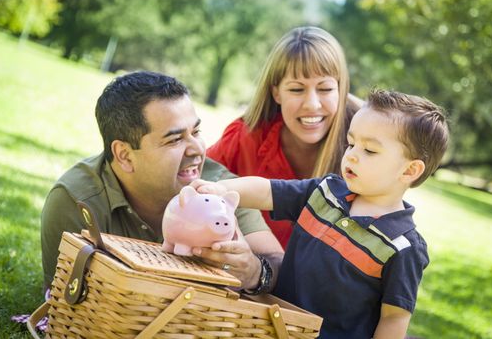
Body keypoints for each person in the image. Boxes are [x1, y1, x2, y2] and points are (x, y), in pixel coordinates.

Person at [192, 89, 449, 338]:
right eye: (351, 143)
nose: (351, 156)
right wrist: (220, 188)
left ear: (409, 171)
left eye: (369, 150)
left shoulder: (403, 246)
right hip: (269, 325)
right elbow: (266, 191)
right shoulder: (326, 191)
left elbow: (394, 318)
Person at [41, 71, 284, 293]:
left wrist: (254, 271)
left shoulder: (220, 189)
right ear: (124, 155)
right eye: (175, 139)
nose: (197, 149)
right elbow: (66, 302)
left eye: (196, 132)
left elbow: (278, 264)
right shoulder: (77, 200)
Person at [207, 26, 361, 249]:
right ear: (276, 93)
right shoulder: (245, 137)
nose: (312, 104)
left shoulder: (364, 149)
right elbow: (196, 180)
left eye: (325, 89)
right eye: (297, 90)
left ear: (341, 89)